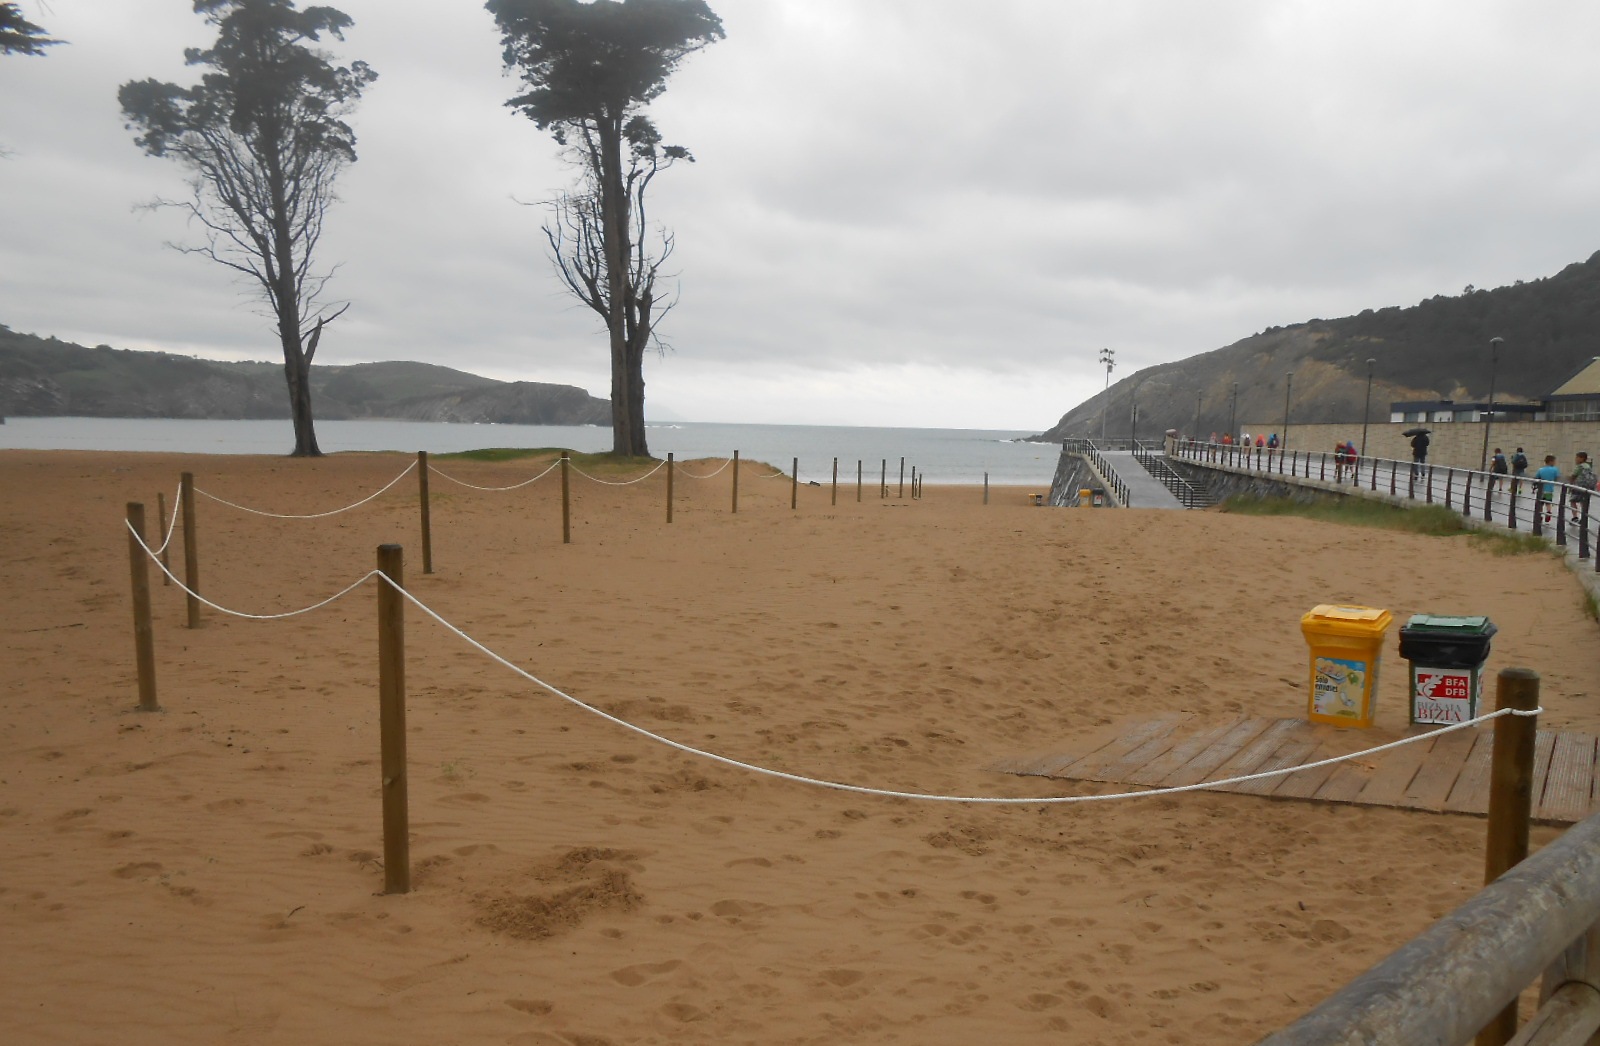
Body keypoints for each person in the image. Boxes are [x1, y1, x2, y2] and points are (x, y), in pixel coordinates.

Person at [1569, 451, 1595, 526]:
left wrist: (1570, 485)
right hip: (1587, 487)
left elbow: (1573, 476)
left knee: (1573, 501)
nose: (1576, 459)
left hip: (1578, 487)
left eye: (1577, 457)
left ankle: (1575, 517)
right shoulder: (1588, 466)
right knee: (1583, 502)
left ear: (1582, 458)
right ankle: (1583, 518)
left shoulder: (1579, 466)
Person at [1536, 454, 1562, 525]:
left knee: (1540, 504)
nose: (1555, 463)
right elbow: (1557, 477)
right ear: (1551, 461)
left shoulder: (1541, 470)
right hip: (1549, 490)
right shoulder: (1555, 469)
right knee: (1548, 503)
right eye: (1554, 461)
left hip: (1541, 490)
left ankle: (1540, 515)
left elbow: (1537, 477)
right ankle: (1548, 512)